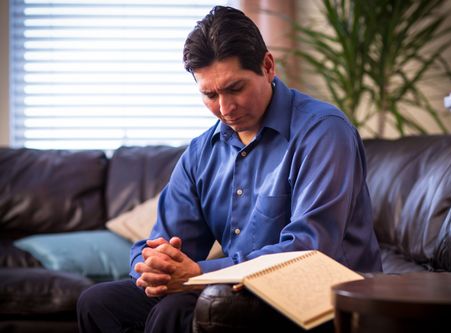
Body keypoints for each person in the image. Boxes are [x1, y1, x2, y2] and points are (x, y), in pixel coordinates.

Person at [77, 5, 382, 333]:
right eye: (209, 94)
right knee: (97, 302)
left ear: (267, 67)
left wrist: (197, 274)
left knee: (178, 309)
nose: (224, 108)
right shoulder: (201, 152)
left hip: (324, 297)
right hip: (235, 291)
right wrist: (153, 266)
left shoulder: (323, 131)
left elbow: (309, 250)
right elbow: (162, 241)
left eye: (235, 88)